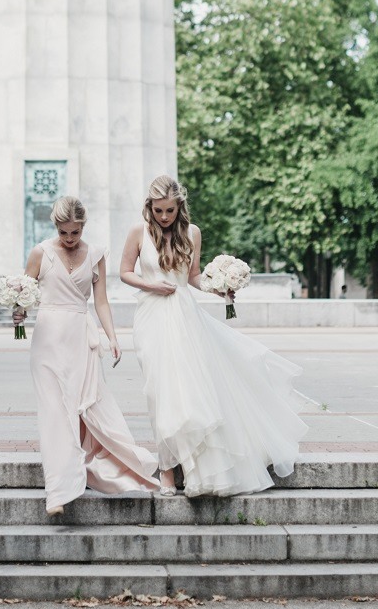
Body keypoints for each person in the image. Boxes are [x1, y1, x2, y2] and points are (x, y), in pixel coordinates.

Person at [120, 175, 307, 498]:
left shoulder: (192, 233)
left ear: (180, 207)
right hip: (151, 316)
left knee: (191, 392)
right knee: (160, 391)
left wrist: (220, 288)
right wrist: (151, 285)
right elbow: (124, 272)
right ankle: (166, 467)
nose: (165, 217)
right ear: (149, 207)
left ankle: (190, 465)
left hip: (185, 315)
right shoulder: (139, 232)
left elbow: (192, 277)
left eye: (170, 211)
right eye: (159, 211)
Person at [14, 195, 159, 517]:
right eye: (64, 232)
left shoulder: (95, 255)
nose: (69, 239)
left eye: (75, 232)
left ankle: (98, 468)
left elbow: (102, 301)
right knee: (54, 412)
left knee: (87, 408)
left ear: (83, 227)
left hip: (81, 335)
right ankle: (58, 492)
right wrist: (18, 313)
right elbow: (25, 295)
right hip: (48, 338)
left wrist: (112, 336)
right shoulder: (41, 252)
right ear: (56, 227)